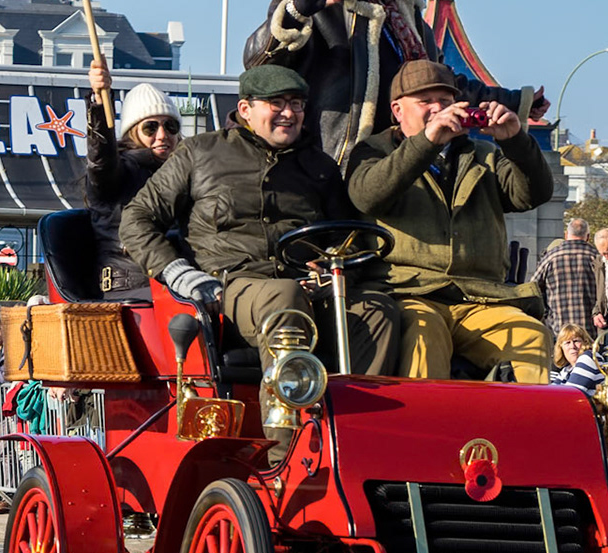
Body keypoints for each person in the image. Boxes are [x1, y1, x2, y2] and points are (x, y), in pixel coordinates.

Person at [124, 64, 400, 376]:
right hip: (228, 289)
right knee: (284, 295)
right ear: (246, 109)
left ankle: (354, 418)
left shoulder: (320, 167)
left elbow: (343, 237)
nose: (289, 113)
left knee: (377, 311)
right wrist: (181, 275)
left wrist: (330, 268)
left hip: (305, 289)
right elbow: (136, 220)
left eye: (296, 104)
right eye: (277, 103)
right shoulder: (200, 153)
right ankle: (286, 420)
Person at [245, 0, 545, 165]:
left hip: (399, 162)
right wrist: (298, 12)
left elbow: (442, 82)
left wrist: (516, 101)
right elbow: (257, 67)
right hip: (334, 166)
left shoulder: (409, 20)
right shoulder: (319, 2)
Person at [347, 59, 552, 382]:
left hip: (481, 297)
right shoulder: (373, 151)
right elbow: (368, 196)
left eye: (445, 101)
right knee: (424, 338)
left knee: (532, 335)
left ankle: (520, 431)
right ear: (398, 110)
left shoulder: (483, 154)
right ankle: (424, 431)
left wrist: (515, 141)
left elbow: (531, 195)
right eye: (425, 101)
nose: (437, 109)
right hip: (412, 293)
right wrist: (427, 142)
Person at [86, 55, 181, 298]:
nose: (162, 135)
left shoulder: (186, 170)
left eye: (170, 126)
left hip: (179, 280)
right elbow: (100, 161)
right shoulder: (118, 172)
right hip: (130, 287)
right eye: (150, 127)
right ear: (132, 134)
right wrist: (100, 100)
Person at [531, 217, 604, 339]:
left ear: (566, 234)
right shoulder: (596, 258)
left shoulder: (551, 257)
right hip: (590, 328)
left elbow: (532, 288)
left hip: (559, 328)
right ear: (588, 236)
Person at [549, 325, 604, 394]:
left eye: (576, 341)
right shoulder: (567, 369)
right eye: (567, 343)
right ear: (561, 348)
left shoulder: (589, 358)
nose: (572, 346)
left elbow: (570, 394)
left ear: (585, 342)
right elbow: (550, 391)